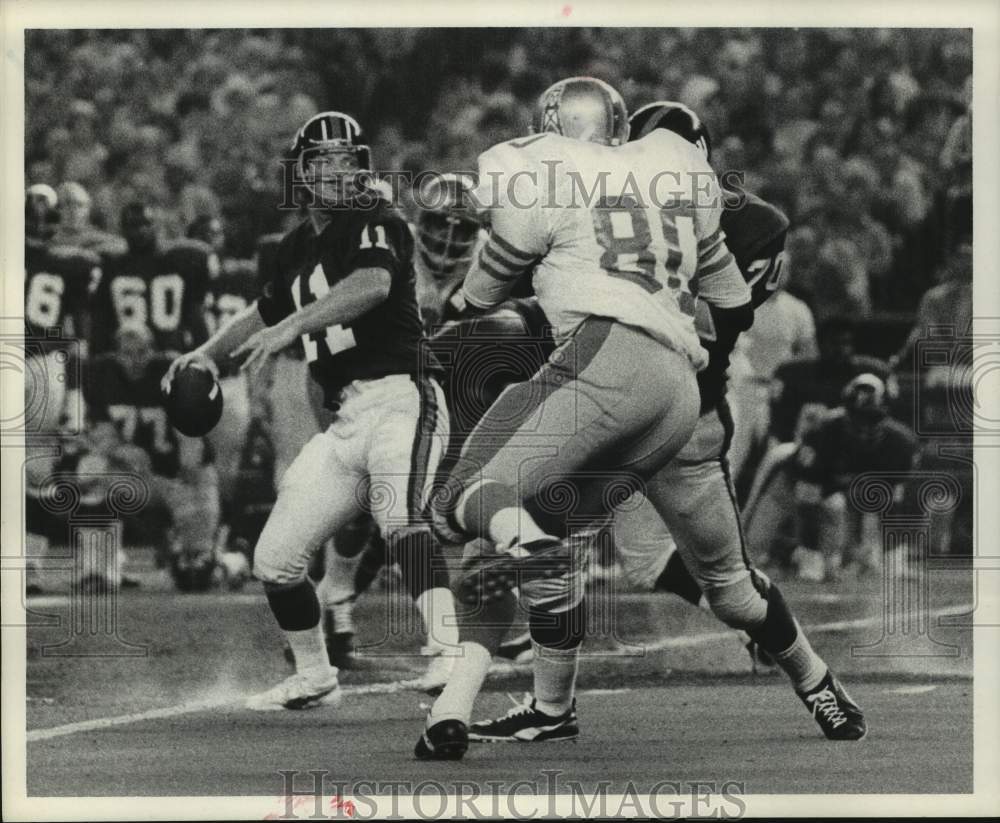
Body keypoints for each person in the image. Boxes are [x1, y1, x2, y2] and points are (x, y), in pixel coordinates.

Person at [465, 100, 866, 748]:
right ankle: (549, 705)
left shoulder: (750, 225)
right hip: (613, 403)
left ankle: (815, 677)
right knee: (567, 548)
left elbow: (719, 318)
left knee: (732, 590)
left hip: (682, 415)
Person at [415, 77, 760, 760]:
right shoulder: (664, 191)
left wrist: (460, 302)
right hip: (652, 397)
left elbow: (508, 282)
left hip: (607, 385)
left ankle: (540, 699)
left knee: (477, 518)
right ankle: (470, 705)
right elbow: (725, 304)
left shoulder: (555, 179)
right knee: (524, 550)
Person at [162, 111, 457, 710]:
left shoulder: (377, 218)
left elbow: (370, 286)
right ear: (300, 172)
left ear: (362, 168)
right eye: (321, 161)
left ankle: (450, 649)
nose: (334, 171)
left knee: (401, 518)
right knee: (275, 559)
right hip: (347, 417)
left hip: (404, 396)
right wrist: (203, 354)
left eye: (346, 160)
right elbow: (263, 312)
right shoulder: (297, 244)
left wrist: (297, 323)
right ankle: (315, 674)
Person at [84, 325, 221, 591]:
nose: (134, 360)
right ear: (116, 354)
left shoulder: (174, 372)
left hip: (183, 474)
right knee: (90, 471)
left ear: (153, 351)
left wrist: (183, 479)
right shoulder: (103, 374)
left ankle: (219, 559)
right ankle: (100, 569)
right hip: (141, 475)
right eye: (127, 353)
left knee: (196, 571)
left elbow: (191, 440)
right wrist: (123, 450)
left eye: (142, 352)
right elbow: (101, 435)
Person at [790, 374, 920, 581]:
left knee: (889, 498)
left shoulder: (900, 442)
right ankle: (809, 556)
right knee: (825, 502)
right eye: (859, 418)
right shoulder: (823, 432)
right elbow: (807, 487)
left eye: (872, 419)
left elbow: (896, 500)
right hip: (822, 488)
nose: (865, 427)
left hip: (861, 491)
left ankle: (890, 559)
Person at [90, 202, 219, 357]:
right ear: (122, 230)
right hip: (126, 361)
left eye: (146, 223)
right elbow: (101, 322)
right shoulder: (113, 265)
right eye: (134, 225)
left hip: (170, 354)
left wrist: (202, 354)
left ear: (156, 226)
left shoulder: (180, 261)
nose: (141, 230)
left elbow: (195, 315)